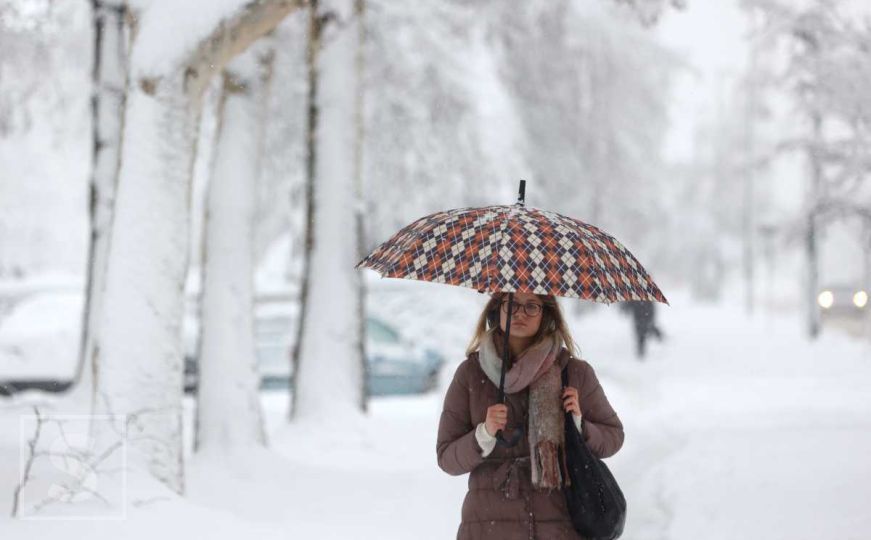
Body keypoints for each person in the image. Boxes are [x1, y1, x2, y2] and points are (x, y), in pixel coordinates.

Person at [436, 291, 625, 540]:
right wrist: (484, 434)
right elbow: (447, 457)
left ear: (546, 312)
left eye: (531, 307)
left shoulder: (574, 372)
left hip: (559, 526)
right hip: (489, 525)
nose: (520, 314)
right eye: (511, 304)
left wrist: (578, 424)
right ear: (497, 309)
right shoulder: (470, 374)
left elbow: (613, 437)